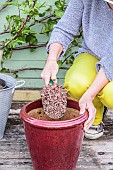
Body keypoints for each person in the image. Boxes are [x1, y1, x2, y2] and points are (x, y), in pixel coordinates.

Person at [41, 0, 113, 139]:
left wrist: (91, 93)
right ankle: (96, 116)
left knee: (110, 94)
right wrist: (51, 60)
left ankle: (93, 100)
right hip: (94, 52)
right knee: (76, 83)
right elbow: (65, 28)